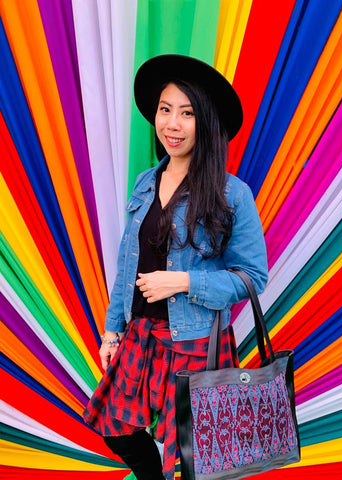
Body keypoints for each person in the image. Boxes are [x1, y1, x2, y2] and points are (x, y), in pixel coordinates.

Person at [83, 54, 268, 480]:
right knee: (115, 426)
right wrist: (112, 330)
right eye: (165, 110)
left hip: (194, 342)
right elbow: (127, 267)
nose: (172, 124)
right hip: (140, 336)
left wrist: (184, 281)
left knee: (188, 457)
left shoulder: (232, 193)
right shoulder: (146, 182)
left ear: (204, 122)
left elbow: (252, 277)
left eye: (186, 113)